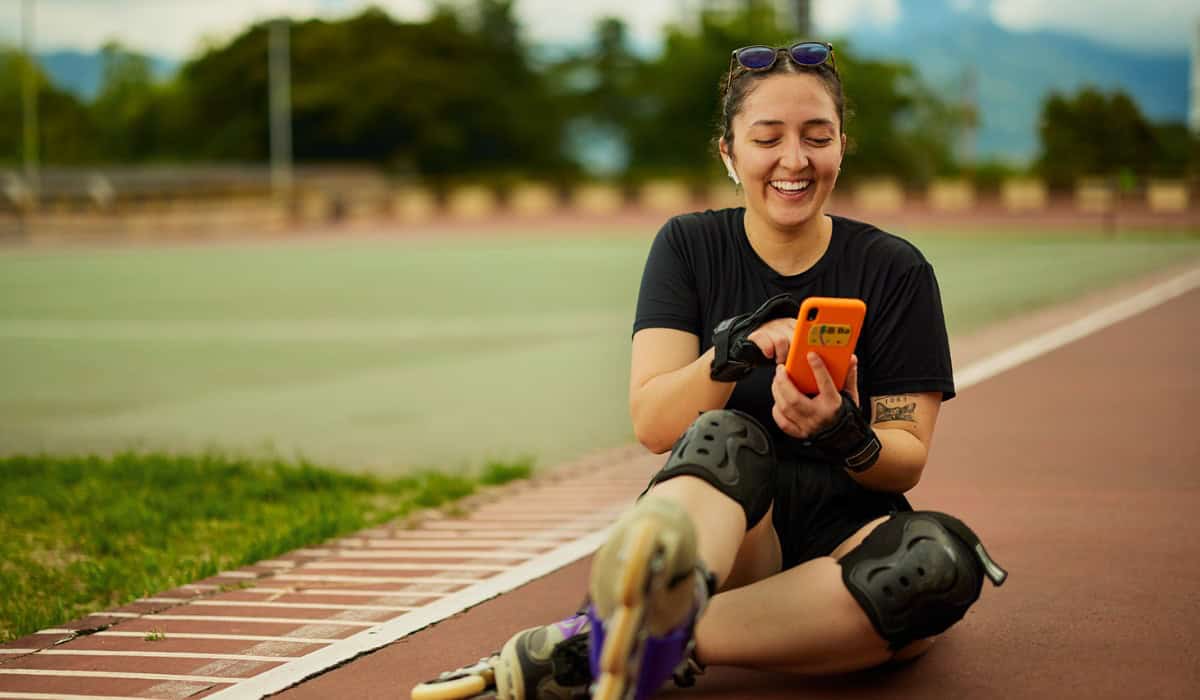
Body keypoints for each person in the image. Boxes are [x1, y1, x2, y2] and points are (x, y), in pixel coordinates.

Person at [411, 41, 1005, 700]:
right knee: (724, 435)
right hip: (732, 534)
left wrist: (841, 429)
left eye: (817, 137)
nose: (794, 160)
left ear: (842, 146)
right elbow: (655, 423)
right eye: (767, 138)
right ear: (728, 152)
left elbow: (906, 458)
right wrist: (732, 351)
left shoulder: (895, 270)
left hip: (849, 539)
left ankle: (624, 642)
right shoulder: (689, 246)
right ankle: (654, 625)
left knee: (937, 563)